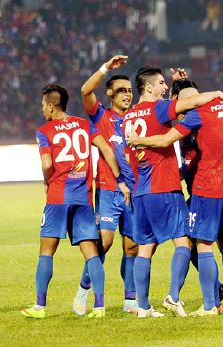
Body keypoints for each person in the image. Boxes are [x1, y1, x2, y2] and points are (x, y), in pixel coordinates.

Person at [126, 79, 223, 316]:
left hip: (205, 190)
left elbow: (164, 140)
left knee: (198, 243)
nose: (181, 113)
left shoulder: (197, 116)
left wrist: (139, 141)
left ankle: (204, 304)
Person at [21, 83, 130, 319]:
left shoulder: (45, 131)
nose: (42, 110)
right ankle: (99, 307)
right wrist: (119, 179)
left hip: (58, 197)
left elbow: (48, 164)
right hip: (83, 198)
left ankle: (40, 307)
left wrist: (46, 181)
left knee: (46, 252)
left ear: (50, 106)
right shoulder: (84, 124)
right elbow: (108, 151)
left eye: (43, 106)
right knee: (91, 252)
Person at [77, 55, 138, 314]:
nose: (127, 95)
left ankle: (130, 300)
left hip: (135, 192)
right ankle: (83, 290)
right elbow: (85, 90)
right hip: (108, 189)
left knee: (132, 246)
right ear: (110, 94)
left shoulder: (138, 118)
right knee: (105, 242)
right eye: (121, 91)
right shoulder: (101, 116)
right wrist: (105, 68)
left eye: (130, 90)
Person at [170, 79, 223, 313]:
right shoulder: (186, 133)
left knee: (202, 244)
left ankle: (211, 302)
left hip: (206, 196)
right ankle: (216, 290)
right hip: (196, 195)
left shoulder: (202, 129)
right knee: (192, 243)